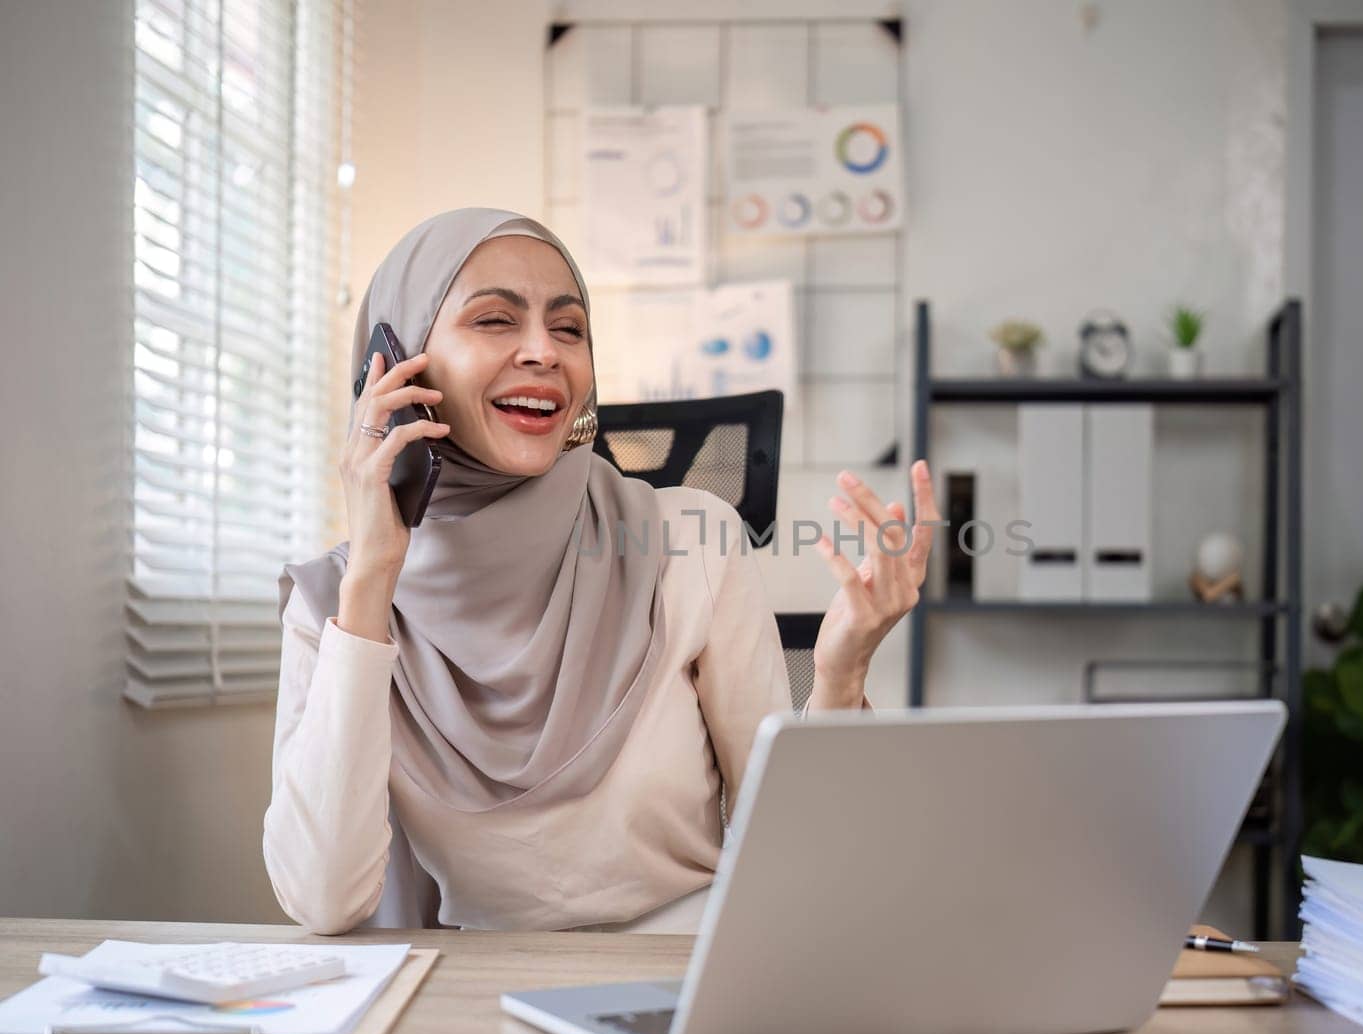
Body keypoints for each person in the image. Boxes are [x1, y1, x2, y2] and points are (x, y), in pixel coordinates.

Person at [264, 208, 938, 935]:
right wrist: (370, 580)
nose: (543, 352)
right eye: (494, 320)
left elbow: (793, 856)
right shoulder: (335, 601)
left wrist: (838, 677)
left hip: (682, 968)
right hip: (471, 997)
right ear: (391, 368)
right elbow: (326, 899)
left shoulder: (691, 540)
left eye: (569, 327)